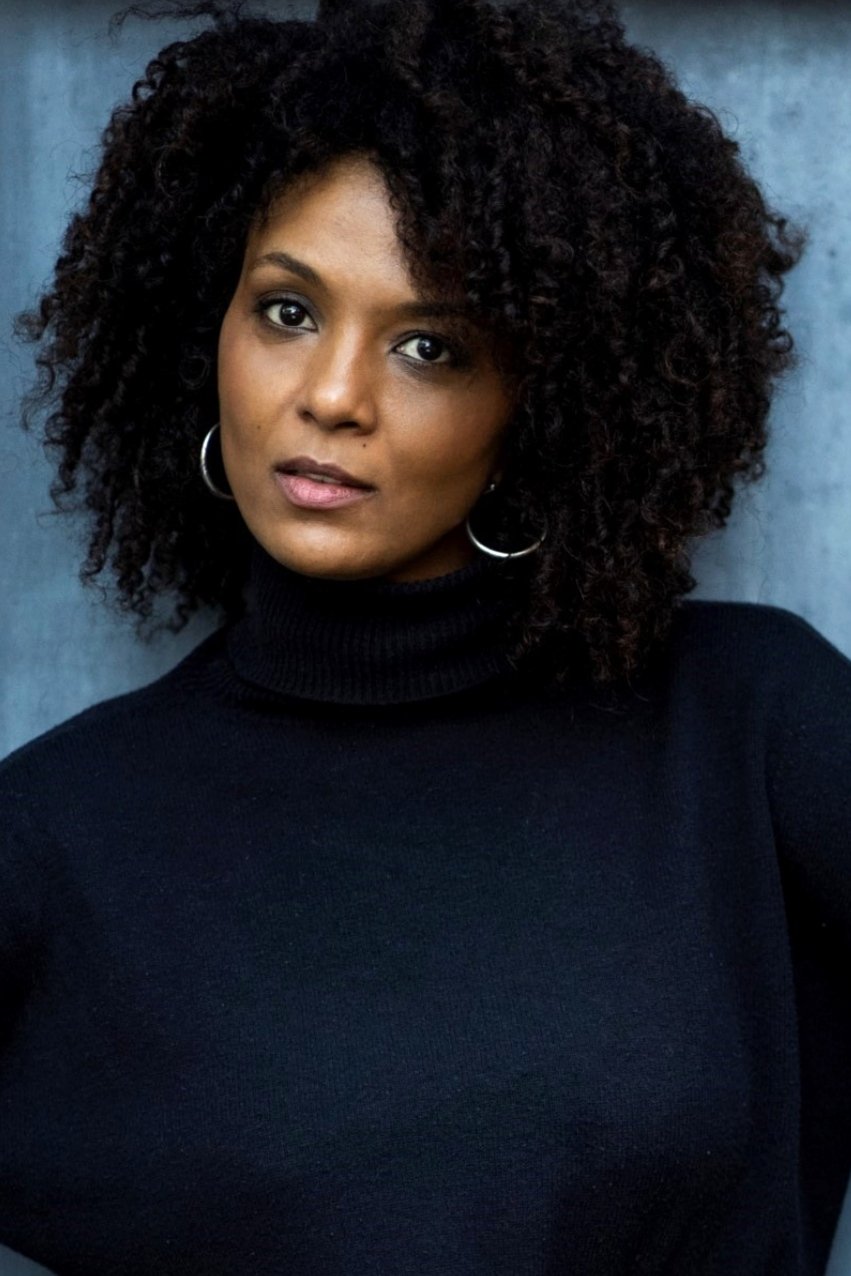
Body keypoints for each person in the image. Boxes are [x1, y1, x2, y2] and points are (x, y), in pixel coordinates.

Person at [1, 0, 849, 1272]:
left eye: (428, 346)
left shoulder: (746, 724)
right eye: (286, 312)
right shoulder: (55, 832)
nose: (331, 396)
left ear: (540, 399)